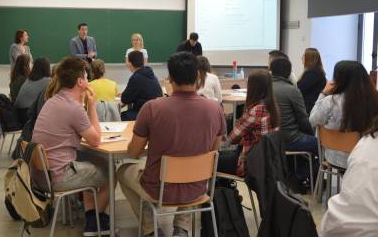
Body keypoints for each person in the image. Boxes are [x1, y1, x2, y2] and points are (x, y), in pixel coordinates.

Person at [117, 52, 226, 237]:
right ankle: (181, 228)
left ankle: (150, 229)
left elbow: (134, 152)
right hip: (198, 187)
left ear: (170, 79)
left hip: (158, 188)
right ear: (198, 77)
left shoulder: (152, 108)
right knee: (190, 168)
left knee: (122, 171)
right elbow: (214, 151)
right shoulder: (216, 109)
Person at [32, 57, 111, 236]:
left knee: (92, 162)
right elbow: (96, 140)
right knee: (110, 172)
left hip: (41, 175)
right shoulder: (73, 108)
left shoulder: (53, 100)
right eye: (86, 76)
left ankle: (92, 216)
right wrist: (91, 105)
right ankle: (96, 220)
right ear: (80, 82)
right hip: (58, 176)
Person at [310, 61, 378, 169]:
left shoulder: (330, 101)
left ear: (339, 80)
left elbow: (313, 120)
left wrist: (323, 93)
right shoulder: (374, 100)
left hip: (335, 159)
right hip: (367, 158)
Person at [320, 119, 378, 237]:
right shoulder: (370, 111)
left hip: (337, 157)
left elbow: (313, 120)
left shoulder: (367, 142)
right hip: (350, 154)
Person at [217, 70, 280, 176]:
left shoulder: (257, 110)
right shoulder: (273, 107)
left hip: (248, 164)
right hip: (265, 162)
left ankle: (222, 191)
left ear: (252, 87)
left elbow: (231, 139)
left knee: (210, 161)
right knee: (219, 156)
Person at [270, 57, 317, 191]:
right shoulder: (292, 90)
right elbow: (303, 119)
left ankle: (292, 175)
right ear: (289, 72)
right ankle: (297, 176)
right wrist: (310, 134)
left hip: (269, 139)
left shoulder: (264, 88)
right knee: (323, 149)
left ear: (271, 71)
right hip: (290, 139)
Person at [120, 51, 162, 121]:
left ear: (130, 64)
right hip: (155, 113)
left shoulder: (136, 77)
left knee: (118, 116)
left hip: (143, 113)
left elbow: (125, 99)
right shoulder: (150, 74)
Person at [14, 57, 51, 126]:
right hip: (28, 116)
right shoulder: (47, 81)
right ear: (47, 68)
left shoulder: (29, 79)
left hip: (17, 114)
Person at [297, 48, 327, 114]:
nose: (301, 57)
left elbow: (299, 89)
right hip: (311, 107)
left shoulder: (313, 73)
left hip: (309, 109)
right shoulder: (316, 72)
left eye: (304, 56)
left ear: (309, 58)